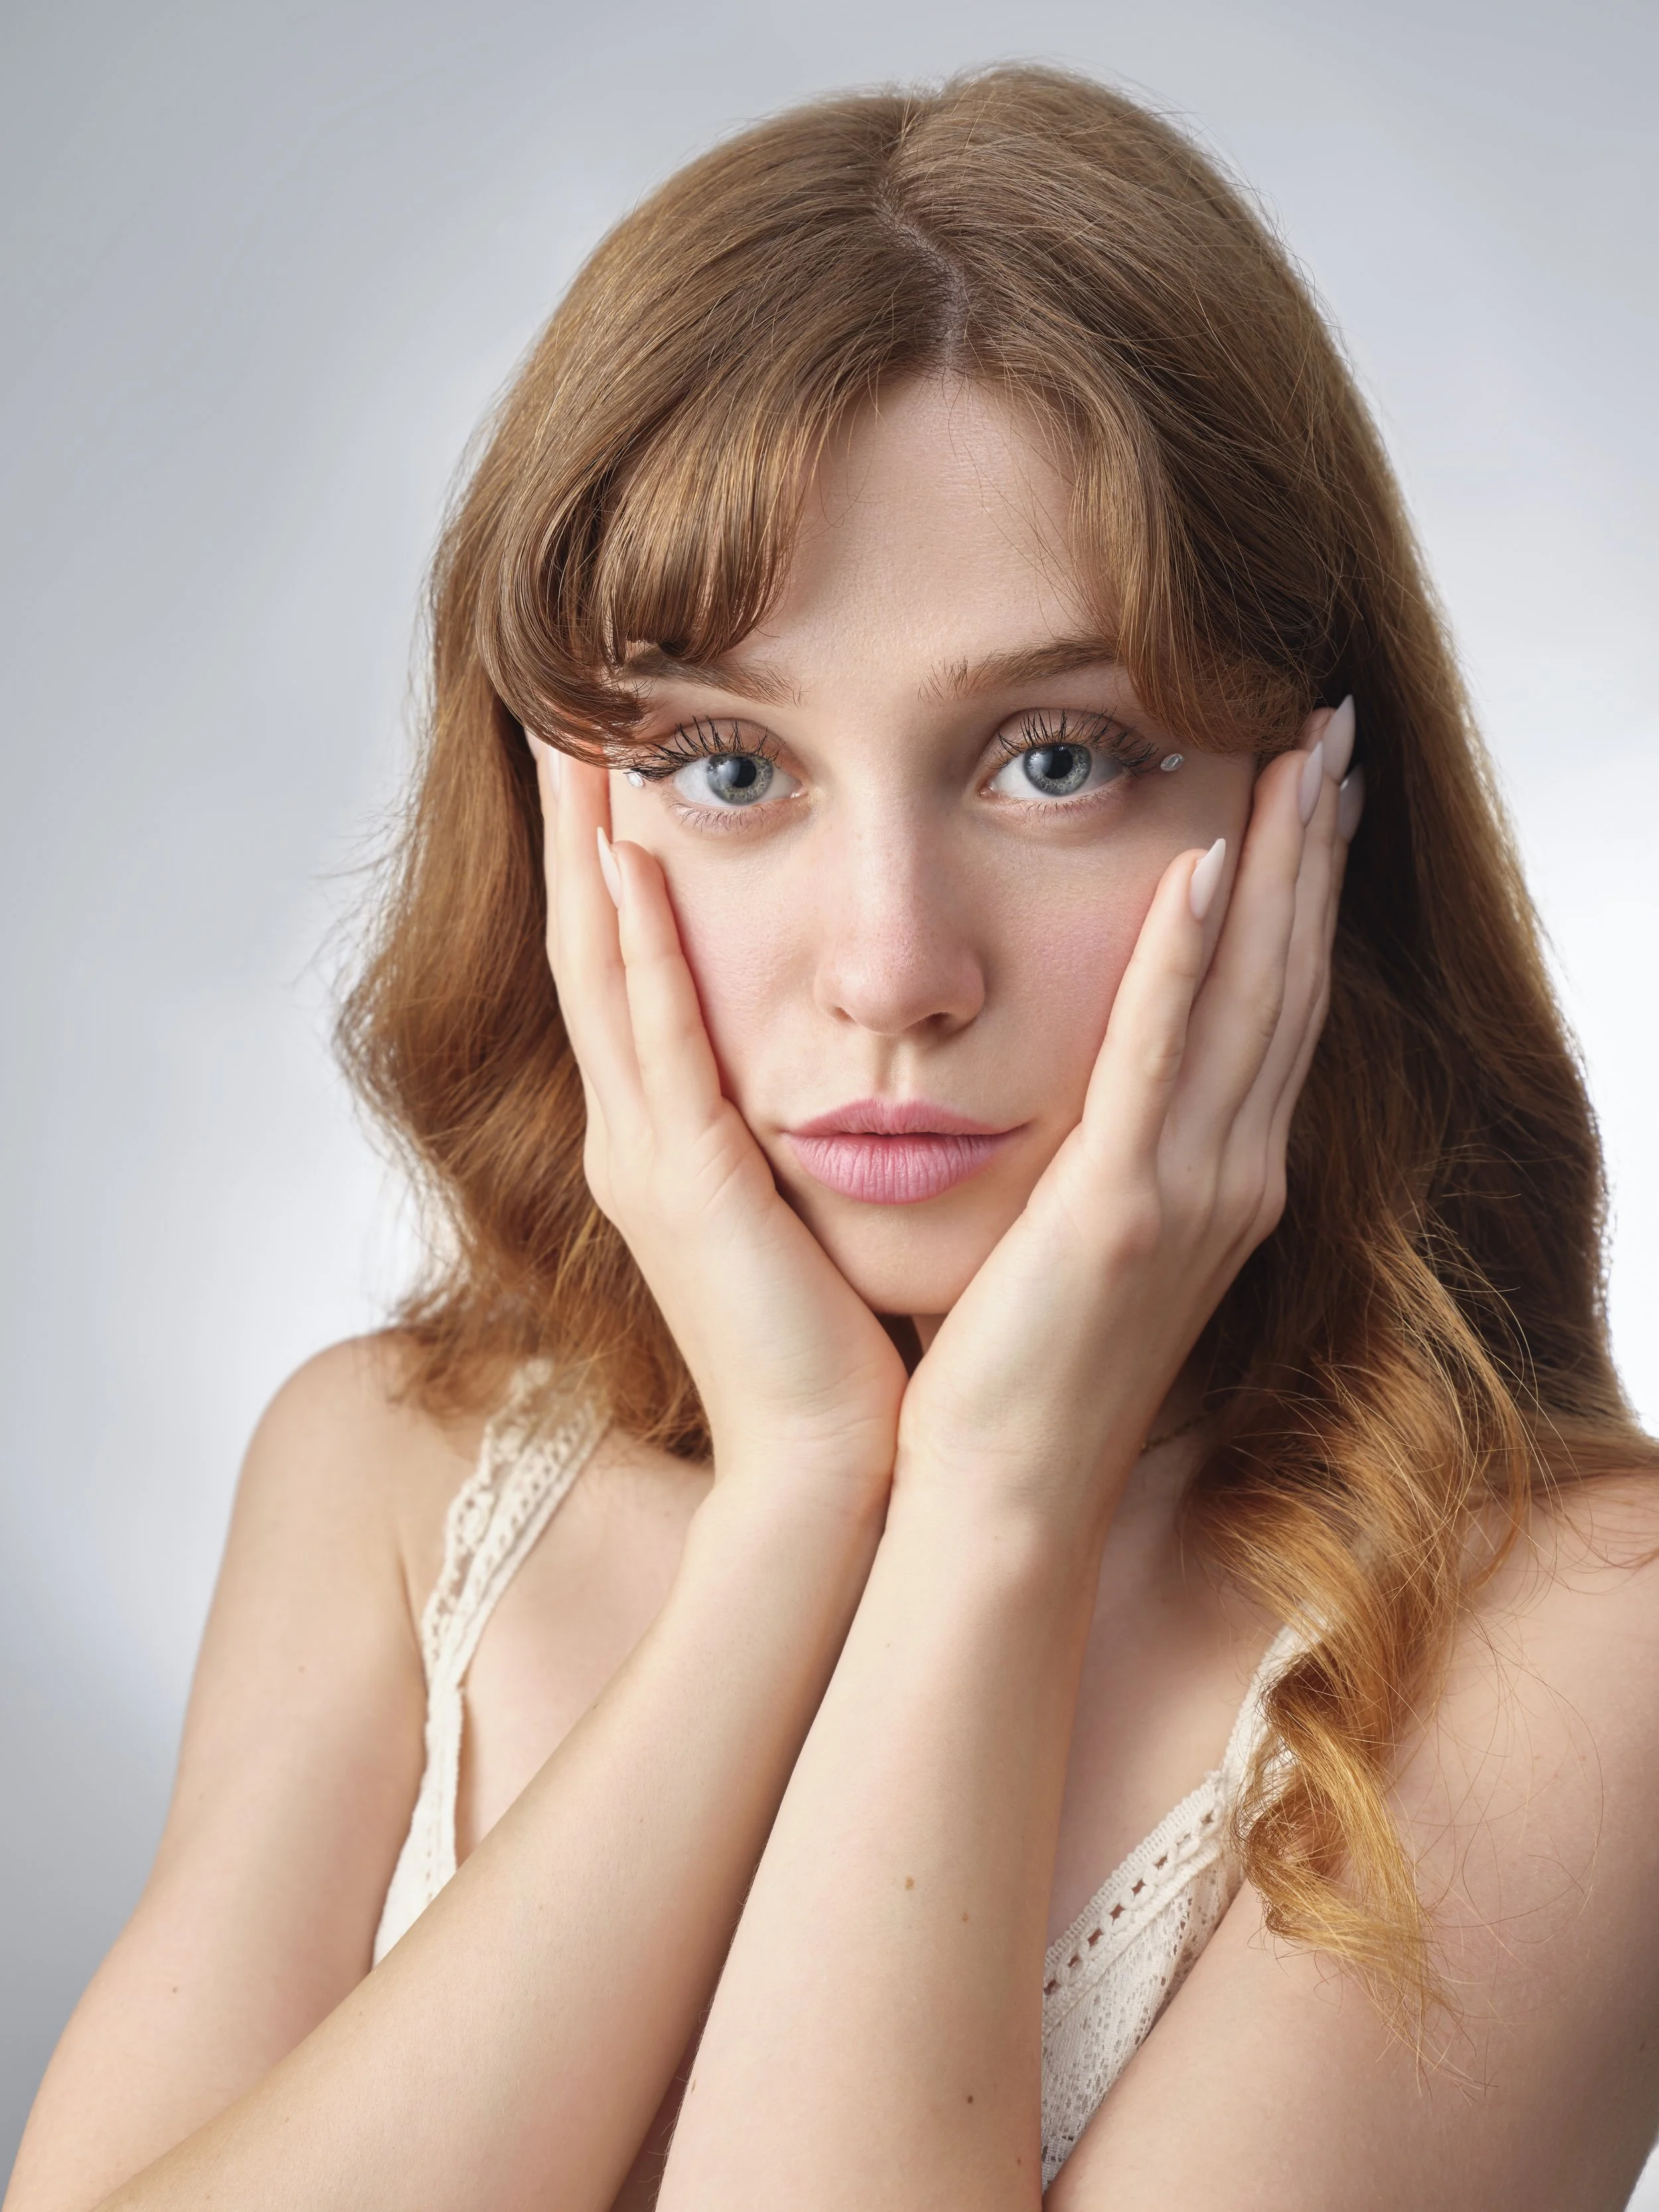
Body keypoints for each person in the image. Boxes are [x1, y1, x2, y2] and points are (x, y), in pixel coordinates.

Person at [9, 62, 1659, 2212]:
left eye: (1054, 757)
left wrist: (989, 1498)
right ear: (553, 824)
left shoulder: (1573, 1643)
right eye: (726, 766)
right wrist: (802, 1500)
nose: (889, 967)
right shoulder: (385, 1483)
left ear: (1307, 828)